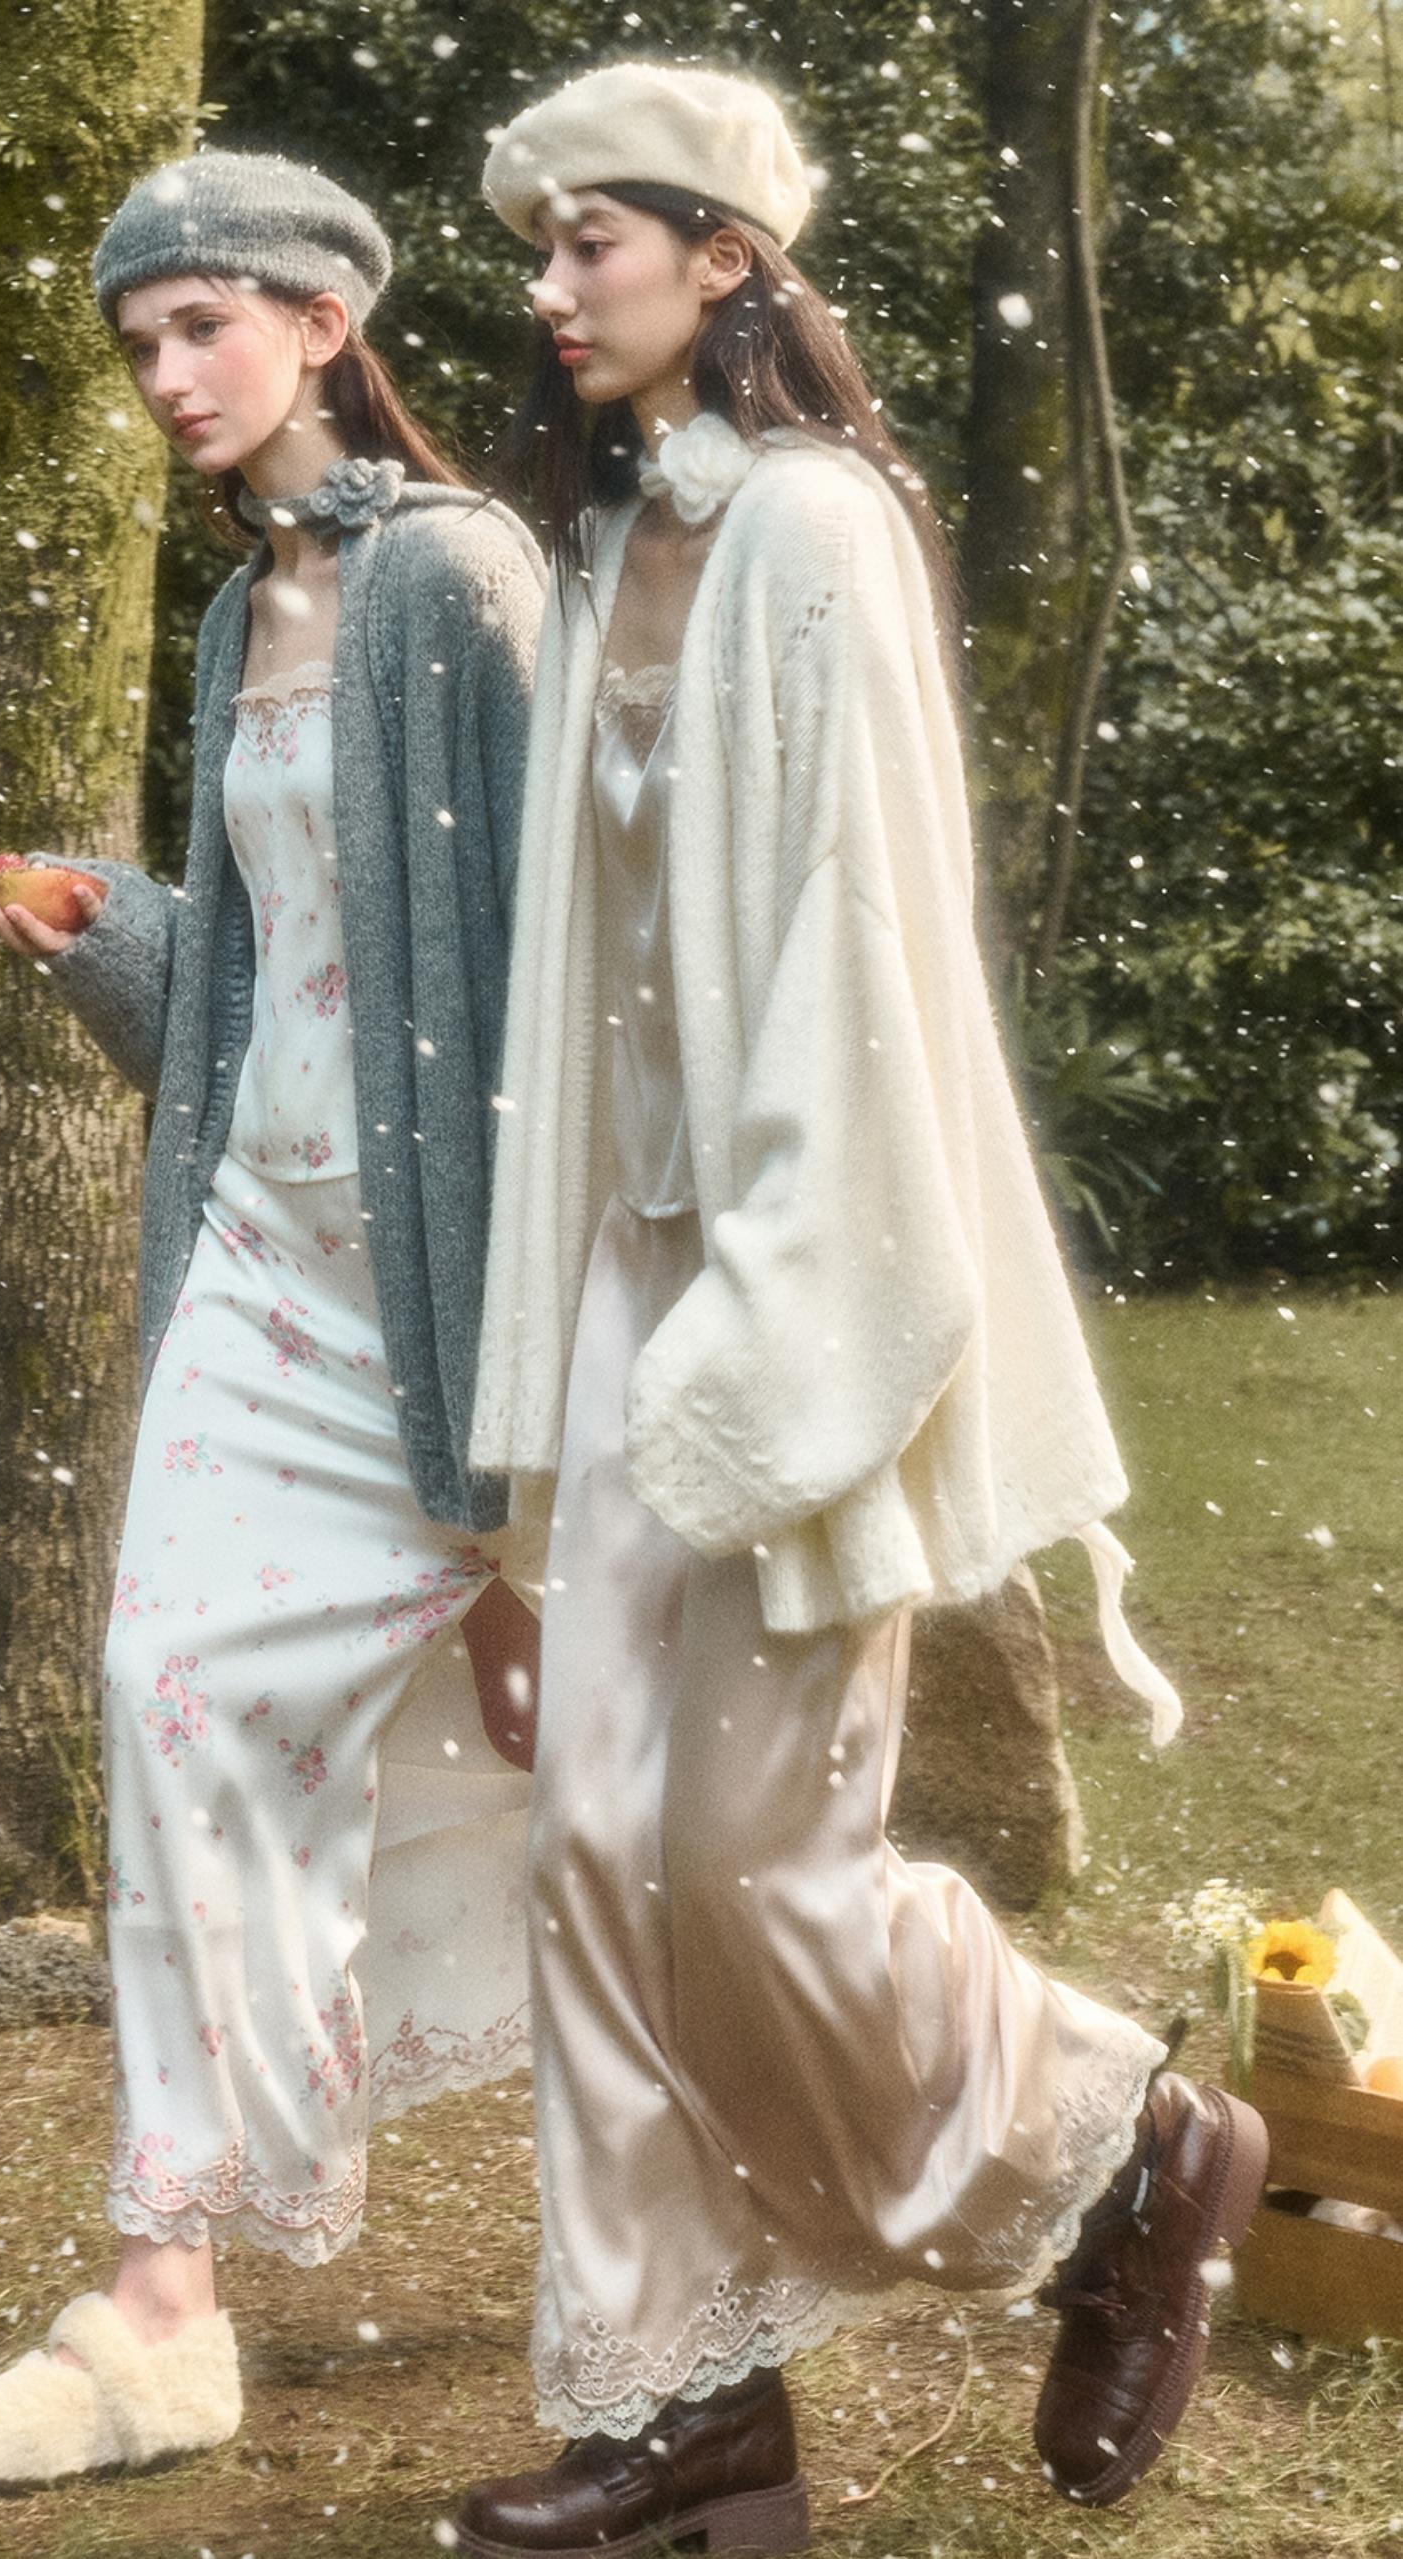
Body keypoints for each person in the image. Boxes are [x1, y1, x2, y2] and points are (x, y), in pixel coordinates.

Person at [455, 63, 1268, 2555]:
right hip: (625, 1273)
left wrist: (776, 1312)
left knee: (754, 1860)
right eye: (539, 247)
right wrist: (553, 1380)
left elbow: (868, 958)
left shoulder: (815, 527)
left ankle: (1119, 2142)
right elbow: (579, 984)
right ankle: (682, 2392)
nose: (549, 284)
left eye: (591, 239)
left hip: (801, 1281)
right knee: (591, 1854)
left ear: (726, 254)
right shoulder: (614, 540)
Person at [0, 147, 547, 2491]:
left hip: (431, 1290)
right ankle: (162, 2300)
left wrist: (525, 1474)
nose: (169, 374)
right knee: (166, 1692)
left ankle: (994, 2130)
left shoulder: (455, 577)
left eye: (205, 326)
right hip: (259, 1267)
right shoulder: (234, 614)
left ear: (319, 320)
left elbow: (545, 990)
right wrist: (120, 937)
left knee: (634, 1795)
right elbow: (284, 979)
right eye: (139, 342)